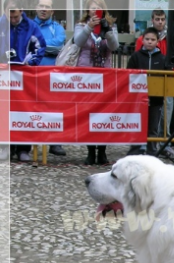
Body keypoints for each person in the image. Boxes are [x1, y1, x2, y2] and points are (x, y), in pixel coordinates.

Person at [74, 0, 118, 166]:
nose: (96, 10)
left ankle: (103, 151)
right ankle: (90, 151)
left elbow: (114, 46)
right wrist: (89, 28)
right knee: (88, 113)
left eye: (99, 8)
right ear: (88, 10)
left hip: (104, 74)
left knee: (104, 113)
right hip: (86, 75)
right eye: (93, 8)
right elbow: (77, 42)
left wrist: (107, 31)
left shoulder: (111, 25)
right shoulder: (81, 24)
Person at [133, 8, 174, 160]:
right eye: (157, 19)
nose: (160, 22)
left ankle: (156, 148)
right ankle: (138, 148)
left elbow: (171, 65)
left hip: (160, 91)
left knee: (159, 121)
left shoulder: (167, 47)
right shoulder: (138, 50)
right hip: (141, 92)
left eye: (162, 19)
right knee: (141, 122)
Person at [3, 0, 46, 162]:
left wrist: (32, 61)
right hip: (4, 76)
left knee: (24, 109)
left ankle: (23, 148)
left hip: (24, 75)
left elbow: (41, 46)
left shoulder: (31, 26)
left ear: (21, 11)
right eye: (9, 16)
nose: (12, 19)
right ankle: (5, 146)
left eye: (15, 16)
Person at [126, 28, 166, 157]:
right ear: (142, 40)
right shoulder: (135, 57)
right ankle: (135, 151)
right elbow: (129, 75)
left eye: (153, 40)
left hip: (156, 99)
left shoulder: (162, 58)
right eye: (147, 39)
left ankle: (152, 152)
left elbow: (167, 78)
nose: (150, 42)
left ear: (158, 41)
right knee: (137, 125)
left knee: (153, 127)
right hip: (138, 98)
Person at [34, 0, 67, 157]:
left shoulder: (58, 28)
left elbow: (58, 46)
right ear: (36, 8)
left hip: (52, 75)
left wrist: (37, 46)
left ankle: (55, 143)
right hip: (31, 74)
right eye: (41, 6)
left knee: (54, 109)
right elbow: (25, 45)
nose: (44, 9)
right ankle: (26, 143)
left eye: (47, 7)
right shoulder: (28, 26)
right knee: (29, 108)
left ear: (52, 11)